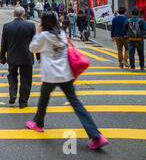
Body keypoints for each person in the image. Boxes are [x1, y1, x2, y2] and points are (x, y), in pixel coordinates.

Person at [27, 11, 109, 150]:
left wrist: (38, 32)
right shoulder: (62, 34)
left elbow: (32, 48)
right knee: (76, 104)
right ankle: (96, 135)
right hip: (66, 74)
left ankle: (38, 124)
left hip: (50, 76)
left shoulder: (44, 36)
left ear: (43, 22)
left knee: (43, 100)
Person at [0, 7, 36, 108]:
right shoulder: (31, 25)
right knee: (26, 79)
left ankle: (13, 93)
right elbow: (35, 42)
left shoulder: (7, 26)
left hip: (12, 57)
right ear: (24, 15)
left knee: (12, 75)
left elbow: (4, 43)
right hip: (27, 57)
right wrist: (38, 56)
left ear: (13, 14)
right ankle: (23, 102)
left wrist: (2, 57)